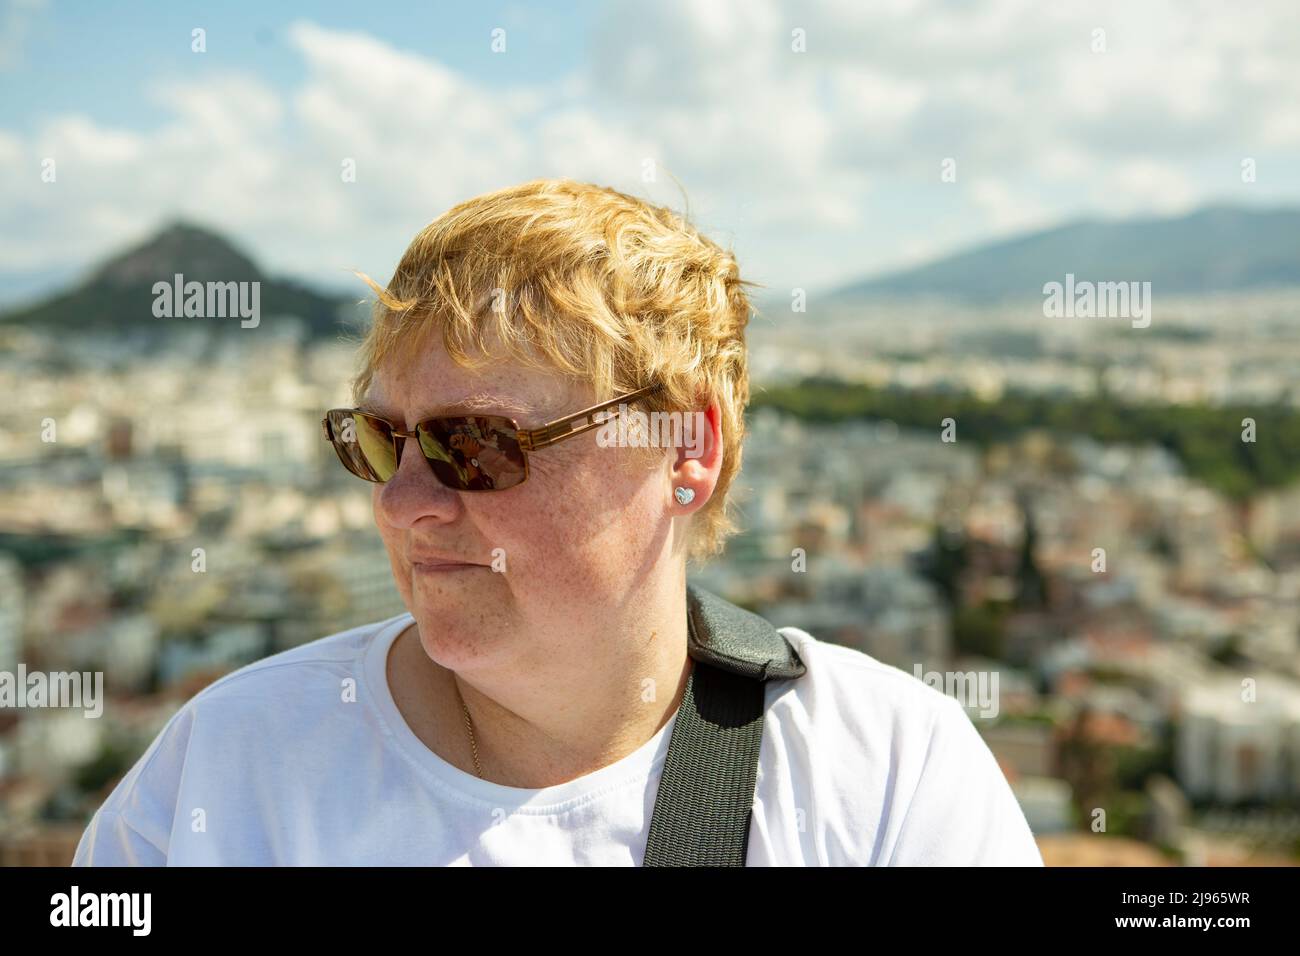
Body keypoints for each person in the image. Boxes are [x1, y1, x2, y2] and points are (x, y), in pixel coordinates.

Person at [73, 178, 1043, 866]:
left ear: (682, 449)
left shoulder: (883, 768)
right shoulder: (231, 765)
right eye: (375, 440)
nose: (402, 501)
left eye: (477, 443)